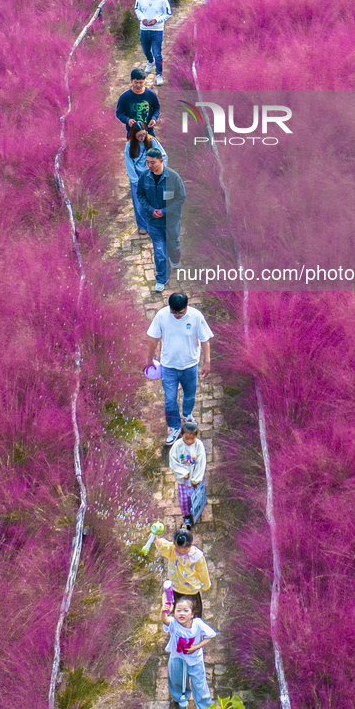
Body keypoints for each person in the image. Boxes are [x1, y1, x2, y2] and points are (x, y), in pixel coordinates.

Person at [146, 292, 213, 443]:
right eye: (173, 312)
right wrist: (149, 359)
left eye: (180, 313)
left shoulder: (196, 317)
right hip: (168, 367)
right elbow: (153, 339)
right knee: (170, 400)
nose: (176, 315)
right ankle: (174, 426)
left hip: (190, 366)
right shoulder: (162, 316)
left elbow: (205, 340)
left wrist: (207, 362)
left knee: (189, 395)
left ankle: (187, 414)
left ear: (186, 307)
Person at [137, 151, 186, 292]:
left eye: (152, 162)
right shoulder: (144, 177)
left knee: (173, 245)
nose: (149, 165)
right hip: (153, 222)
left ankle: (176, 260)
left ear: (161, 161)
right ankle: (161, 279)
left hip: (171, 222)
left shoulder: (173, 177)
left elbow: (181, 197)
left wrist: (164, 212)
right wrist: (151, 210)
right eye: (147, 162)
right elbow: (140, 195)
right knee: (159, 251)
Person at [162, 595, 216, 709]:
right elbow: (165, 620)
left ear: (192, 614)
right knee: (176, 679)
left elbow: (210, 636)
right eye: (178, 610)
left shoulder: (197, 624)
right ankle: (180, 697)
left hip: (195, 660)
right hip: (177, 658)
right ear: (174, 613)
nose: (182, 613)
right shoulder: (174, 624)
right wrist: (163, 611)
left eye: (186, 611)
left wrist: (196, 647)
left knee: (200, 685)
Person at [155, 527, 211, 616]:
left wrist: (206, 585)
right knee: (177, 616)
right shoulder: (172, 550)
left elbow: (202, 571)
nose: (181, 551)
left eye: (185, 549)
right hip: (175, 589)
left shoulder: (196, 556)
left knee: (193, 617)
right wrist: (156, 540)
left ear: (190, 545)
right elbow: (163, 546)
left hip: (191, 591)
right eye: (178, 548)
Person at [125, 121, 167, 235]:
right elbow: (129, 165)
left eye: (144, 134)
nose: (142, 137)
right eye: (139, 135)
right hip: (138, 178)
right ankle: (143, 225)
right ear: (133, 135)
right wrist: (135, 181)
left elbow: (163, 156)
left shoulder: (152, 141)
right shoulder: (129, 146)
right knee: (140, 203)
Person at [134, 0, 172, 86]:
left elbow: (168, 13)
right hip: (144, 29)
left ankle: (159, 74)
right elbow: (137, 9)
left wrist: (157, 20)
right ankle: (150, 62)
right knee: (145, 49)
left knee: (157, 53)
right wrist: (142, 19)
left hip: (157, 30)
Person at [169, 421, 207, 529]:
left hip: (195, 478)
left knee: (196, 496)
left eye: (192, 438)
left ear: (196, 436)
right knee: (184, 498)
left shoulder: (198, 445)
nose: (190, 441)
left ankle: (196, 510)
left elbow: (201, 461)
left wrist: (197, 478)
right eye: (187, 438)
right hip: (183, 480)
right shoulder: (177, 446)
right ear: (182, 435)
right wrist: (183, 473)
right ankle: (187, 516)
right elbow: (173, 461)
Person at [116, 69, 160, 139]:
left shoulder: (151, 94)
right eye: (136, 82)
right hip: (132, 133)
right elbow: (119, 113)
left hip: (149, 132)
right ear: (131, 80)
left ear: (144, 81)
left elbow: (156, 107)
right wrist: (127, 120)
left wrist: (154, 118)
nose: (138, 85)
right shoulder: (124, 97)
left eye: (141, 82)